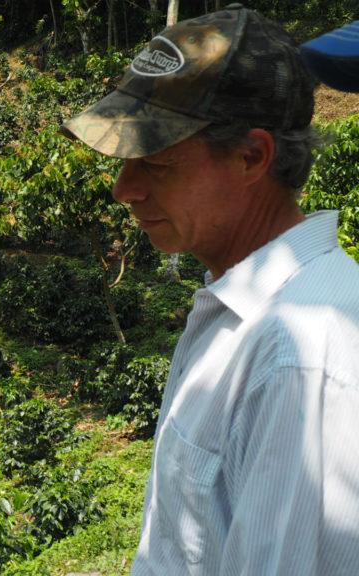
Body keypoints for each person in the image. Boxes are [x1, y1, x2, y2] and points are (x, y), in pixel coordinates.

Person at [61, 5, 359, 575]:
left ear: (251, 157)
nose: (125, 189)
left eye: (159, 163)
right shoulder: (239, 311)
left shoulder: (301, 355)